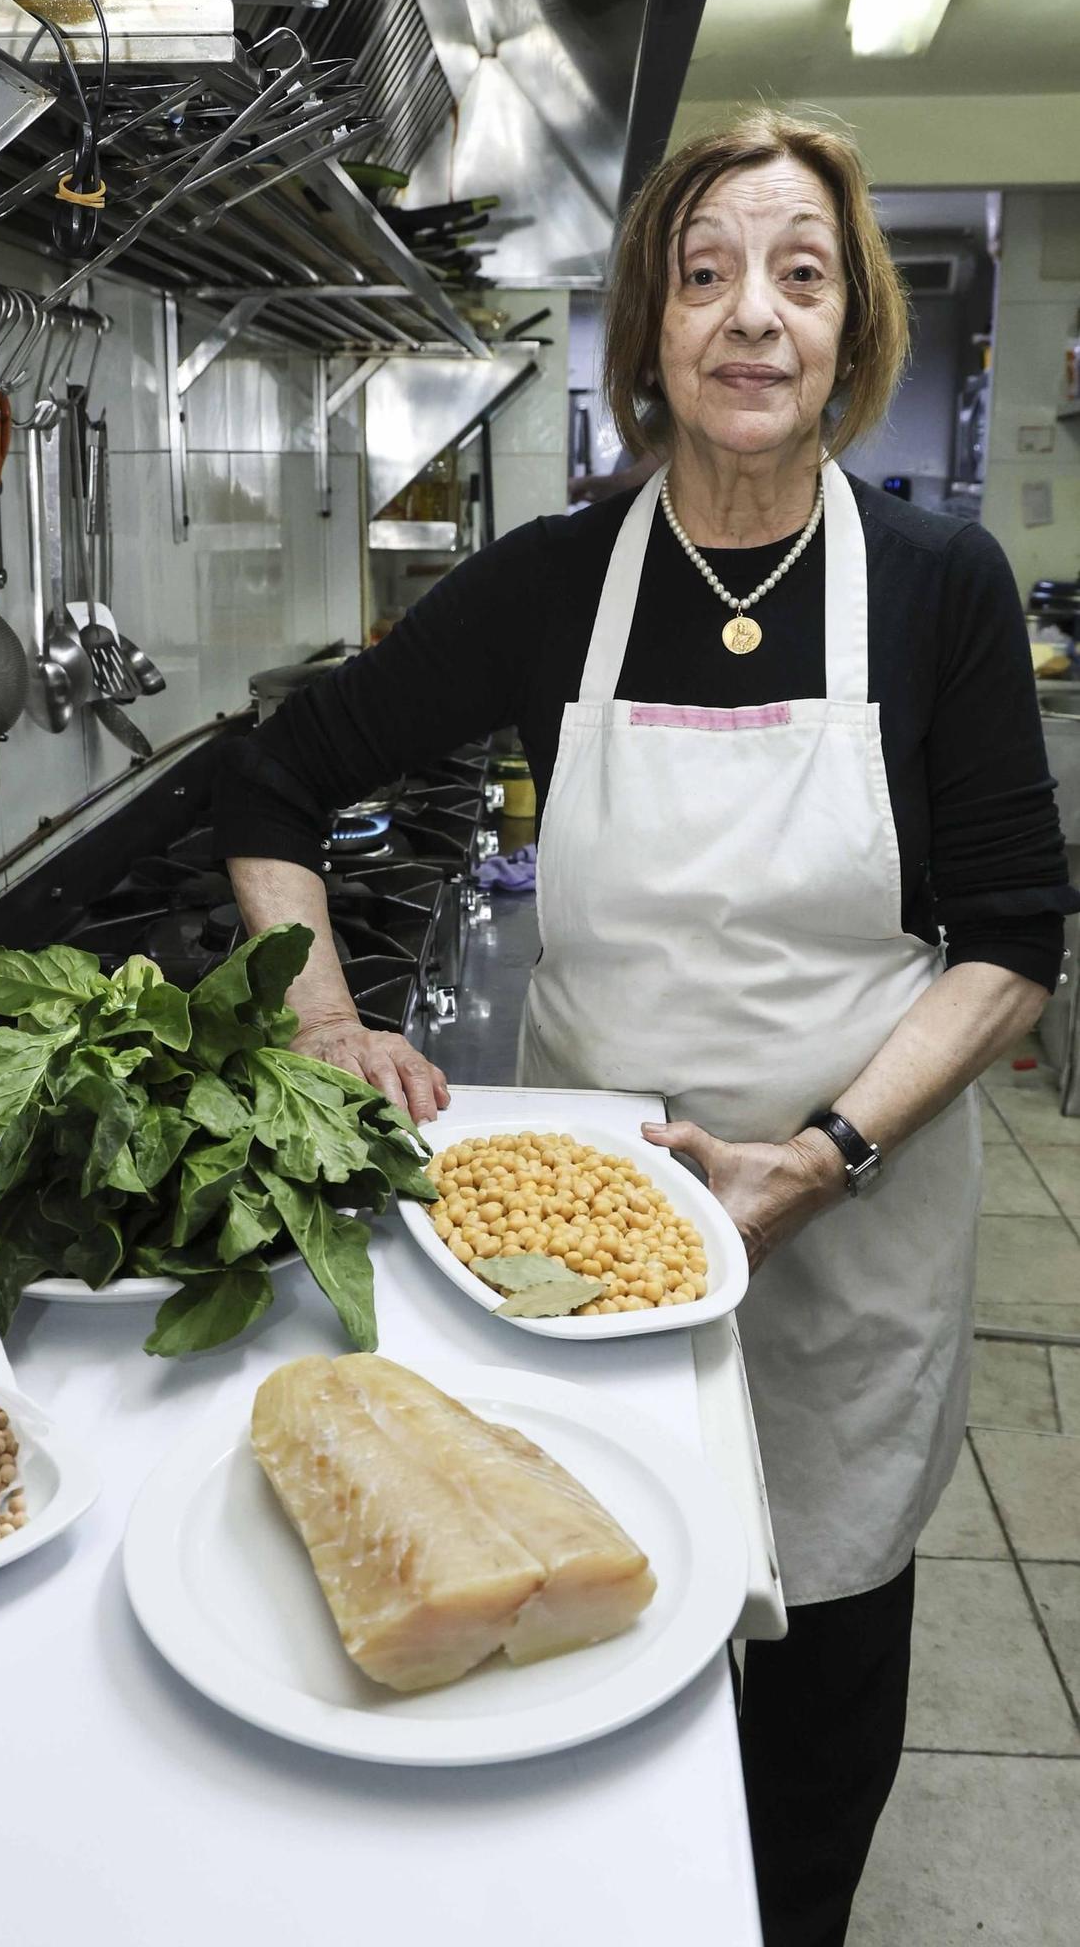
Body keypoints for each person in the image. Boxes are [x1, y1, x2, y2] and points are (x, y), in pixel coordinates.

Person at [213, 110, 1077, 1946]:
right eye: (702, 274)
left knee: (828, 1658)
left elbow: (1011, 939)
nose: (749, 315)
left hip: (856, 1212)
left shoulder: (938, 592)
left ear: (851, 334)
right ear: (648, 333)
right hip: (582, 1248)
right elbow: (274, 787)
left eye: (798, 273)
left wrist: (824, 1154)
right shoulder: (553, 580)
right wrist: (317, 1025)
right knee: (583, 1614)